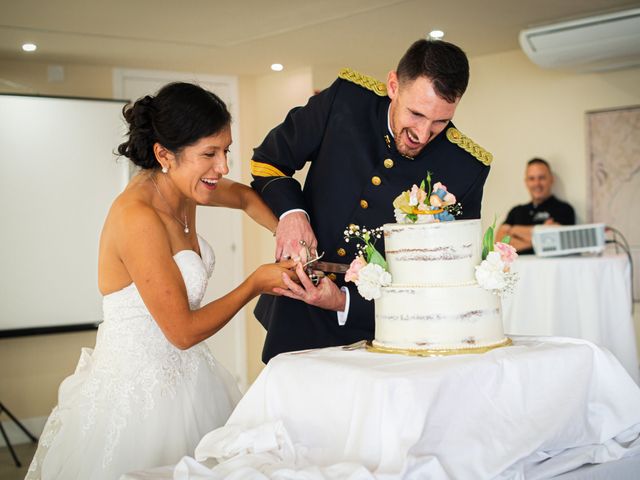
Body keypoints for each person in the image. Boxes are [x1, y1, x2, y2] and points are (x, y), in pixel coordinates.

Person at [26, 82, 297, 480]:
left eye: (226, 151)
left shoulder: (186, 188)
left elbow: (243, 197)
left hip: (192, 378)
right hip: (137, 396)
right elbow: (183, 331)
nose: (222, 166)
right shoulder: (138, 217)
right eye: (209, 153)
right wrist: (255, 283)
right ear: (164, 154)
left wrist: (289, 235)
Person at [250, 39, 493, 363]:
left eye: (440, 122)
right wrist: (292, 214)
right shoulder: (344, 100)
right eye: (416, 114)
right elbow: (267, 161)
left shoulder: (465, 168)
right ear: (394, 85)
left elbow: (447, 280)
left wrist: (344, 302)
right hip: (296, 313)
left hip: (385, 333)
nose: (422, 133)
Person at [496, 158, 575, 254]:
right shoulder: (516, 211)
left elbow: (558, 240)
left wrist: (513, 230)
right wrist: (542, 236)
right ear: (526, 182)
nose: (537, 183)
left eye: (541, 178)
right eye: (531, 178)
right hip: (519, 269)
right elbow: (499, 242)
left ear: (551, 179)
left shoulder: (564, 209)